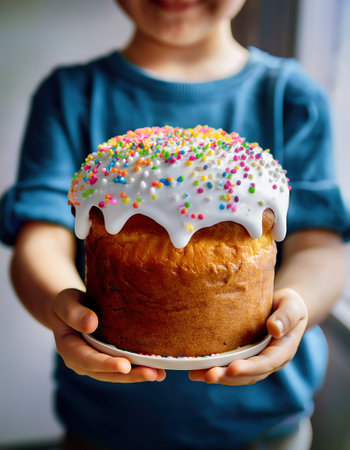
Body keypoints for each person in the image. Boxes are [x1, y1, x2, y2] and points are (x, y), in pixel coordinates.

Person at [1, 0, 349, 449]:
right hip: (105, 421)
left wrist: (297, 308)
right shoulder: (71, 95)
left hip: (265, 422)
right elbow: (39, 238)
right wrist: (61, 308)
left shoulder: (292, 97)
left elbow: (318, 245)